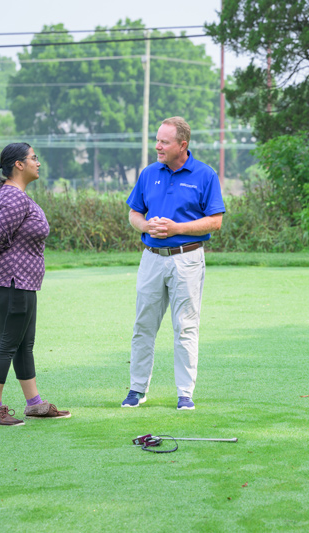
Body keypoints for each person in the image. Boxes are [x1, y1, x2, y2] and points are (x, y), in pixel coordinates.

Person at [122, 116, 225, 410]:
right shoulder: (149, 173)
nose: (157, 146)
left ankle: (184, 394)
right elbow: (134, 214)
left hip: (188, 258)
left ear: (183, 144)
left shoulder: (205, 175)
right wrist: (145, 226)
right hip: (151, 259)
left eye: (164, 142)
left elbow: (215, 222)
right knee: (143, 325)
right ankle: (137, 389)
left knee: (185, 328)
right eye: (157, 140)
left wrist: (177, 228)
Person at [0, 143, 71, 426]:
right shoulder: (14, 198)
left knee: (24, 345)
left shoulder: (16, 196)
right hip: (11, 282)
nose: (38, 163)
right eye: (33, 158)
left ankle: (35, 404)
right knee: (7, 343)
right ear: (19, 165)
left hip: (22, 281)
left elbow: (2, 242)